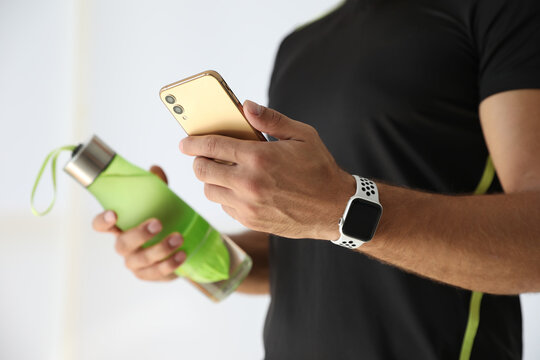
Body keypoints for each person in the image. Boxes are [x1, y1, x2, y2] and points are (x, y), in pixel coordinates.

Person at [93, 0, 540, 358]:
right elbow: (304, 248)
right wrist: (186, 248)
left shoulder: (500, 10)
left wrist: (343, 208)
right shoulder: (299, 47)